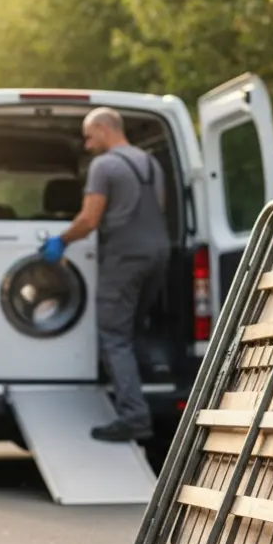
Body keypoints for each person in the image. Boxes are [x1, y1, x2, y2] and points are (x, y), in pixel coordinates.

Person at [40, 107, 171, 443]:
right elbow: (161, 206)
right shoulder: (150, 163)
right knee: (133, 325)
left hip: (125, 256)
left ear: (102, 128)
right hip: (159, 252)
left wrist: (61, 241)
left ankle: (133, 417)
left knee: (114, 334)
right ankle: (150, 378)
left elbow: (89, 219)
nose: (86, 145)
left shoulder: (104, 165)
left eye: (88, 136)